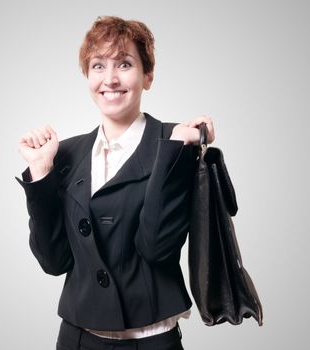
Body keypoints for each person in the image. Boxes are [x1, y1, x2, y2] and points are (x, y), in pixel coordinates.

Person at [16, 16, 215, 350]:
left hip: (152, 341)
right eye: (97, 66)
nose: (109, 79)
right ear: (87, 76)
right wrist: (41, 171)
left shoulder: (175, 143)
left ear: (147, 75)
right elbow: (54, 262)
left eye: (124, 64)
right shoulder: (65, 154)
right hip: (77, 339)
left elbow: (156, 247)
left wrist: (174, 152)